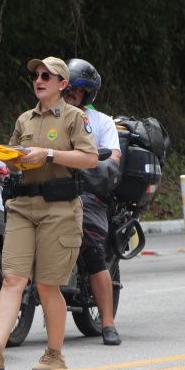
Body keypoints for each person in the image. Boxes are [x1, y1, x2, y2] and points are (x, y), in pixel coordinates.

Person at [0, 57, 98, 370]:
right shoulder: (24, 120)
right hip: (23, 206)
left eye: (46, 75)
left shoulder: (74, 118)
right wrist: (11, 160)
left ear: (62, 84)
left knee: (47, 285)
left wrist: (49, 154)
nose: (38, 80)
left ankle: (54, 355)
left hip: (60, 208)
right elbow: (13, 161)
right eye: (35, 75)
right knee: (12, 278)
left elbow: (90, 158)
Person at [64, 58, 123, 346]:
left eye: (77, 89)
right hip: (50, 190)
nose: (70, 93)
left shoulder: (101, 122)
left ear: (87, 93)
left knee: (90, 247)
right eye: (67, 87)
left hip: (88, 194)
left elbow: (113, 159)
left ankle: (108, 323)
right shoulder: (48, 117)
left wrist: (91, 168)